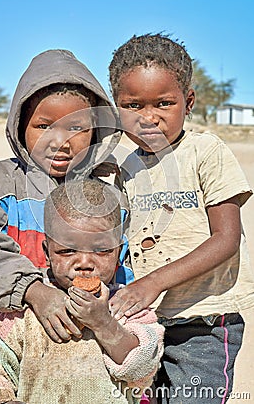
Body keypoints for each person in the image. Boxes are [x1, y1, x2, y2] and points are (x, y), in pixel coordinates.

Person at [0, 49, 121, 391]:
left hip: (89, 366)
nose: (59, 141)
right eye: (43, 126)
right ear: (20, 125)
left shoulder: (109, 191)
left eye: (76, 127)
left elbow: (122, 263)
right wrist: (34, 291)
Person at [107, 34, 254, 403]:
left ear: (187, 102)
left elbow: (226, 239)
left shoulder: (205, 153)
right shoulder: (127, 168)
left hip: (204, 323)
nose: (148, 117)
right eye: (133, 105)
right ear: (117, 108)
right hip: (147, 322)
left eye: (164, 103)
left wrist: (153, 282)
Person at [0, 179, 164, 404]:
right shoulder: (29, 310)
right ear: (47, 252)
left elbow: (142, 371)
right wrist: (1, 399)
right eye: (67, 251)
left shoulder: (127, 308)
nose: (84, 262)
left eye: (102, 250)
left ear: (118, 252)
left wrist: (103, 323)